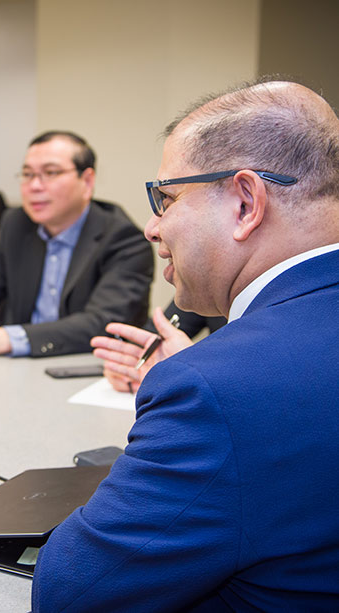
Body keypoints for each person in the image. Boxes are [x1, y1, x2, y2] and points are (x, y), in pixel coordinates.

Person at [32, 80, 339, 611]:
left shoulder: (214, 388)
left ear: (246, 202)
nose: (152, 228)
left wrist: (195, 394)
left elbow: (71, 594)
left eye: (166, 198)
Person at [0, 131, 153, 358]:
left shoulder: (124, 240)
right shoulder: (17, 224)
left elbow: (101, 324)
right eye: (28, 174)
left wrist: (5, 339)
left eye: (50, 173)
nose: (34, 186)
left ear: (87, 181)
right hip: (19, 373)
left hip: (88, 375)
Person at [91, 299, 227, 393]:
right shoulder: (204, 287)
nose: (163, 255)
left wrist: (195, 372)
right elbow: (154, 337)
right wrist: (127, 365)